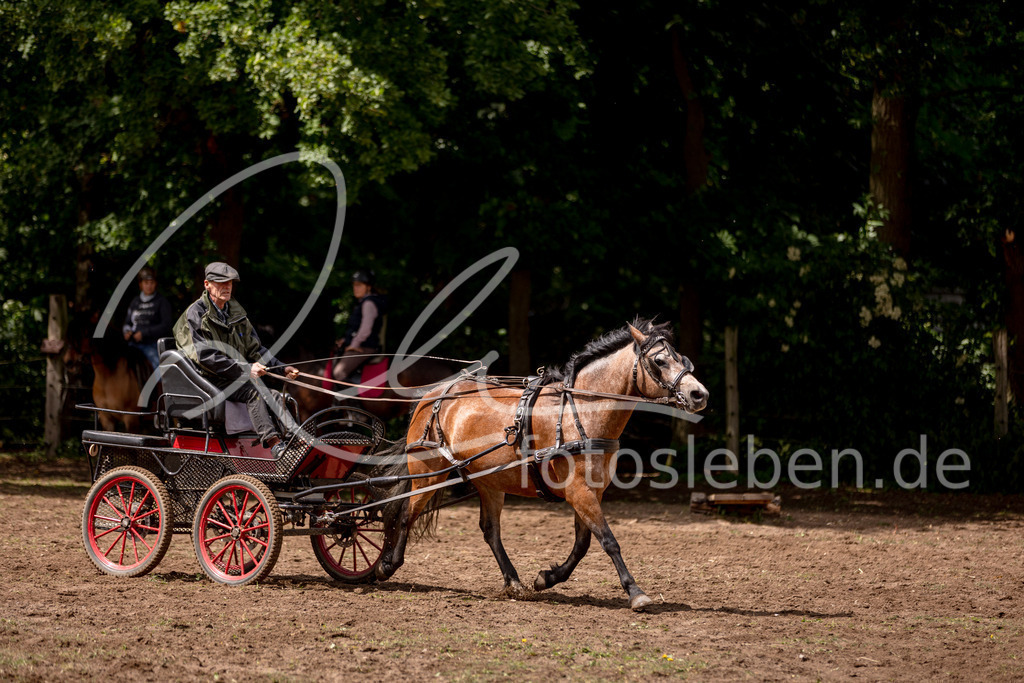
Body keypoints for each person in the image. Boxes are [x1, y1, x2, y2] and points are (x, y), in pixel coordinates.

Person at [173, 261, 300, 456]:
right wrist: (246, 369)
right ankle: (274, 444)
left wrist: (281, 368)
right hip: (207, 380)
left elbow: (255, 349)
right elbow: (206, 357)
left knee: (275, 396)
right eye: (221, 282)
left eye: (230, 283)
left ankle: (296, 441)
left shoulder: (236, 314)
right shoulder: (195, 314)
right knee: (255, 391)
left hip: (233, 375)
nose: (226, 287)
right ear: (207, 284)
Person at [331, 269, 387, 383]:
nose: (355, 288)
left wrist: (354, 344)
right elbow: (355, 328)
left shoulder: (368, 303)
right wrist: (345, 340)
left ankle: (352, 400)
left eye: (359, 285)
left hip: (364, 347)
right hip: (359, 345)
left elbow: (366, 329)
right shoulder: (362, 303)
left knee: (338, 373)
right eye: (354, 285)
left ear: (368, 287)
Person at [122, 266, 174, 370]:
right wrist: (126, 332)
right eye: (146, 283)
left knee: (160, 371)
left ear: (156, 284)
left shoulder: (161, 302)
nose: (149, 286)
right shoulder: (135, 302)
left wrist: (144, 333)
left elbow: (166, 325)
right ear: (140, 285)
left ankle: (164, 385)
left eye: (152, 283)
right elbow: (127, 323)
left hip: (152, 345)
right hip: (133, 344)